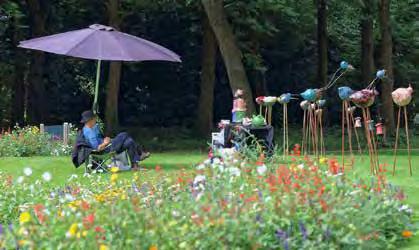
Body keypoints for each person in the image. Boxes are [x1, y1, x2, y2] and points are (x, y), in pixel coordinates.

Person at [72, 110, 150, 170]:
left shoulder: (94, 127)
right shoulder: (89, 132)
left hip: (108, 145)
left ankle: (134, 166)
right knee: (123, 134)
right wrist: (105, 143)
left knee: (129, 142)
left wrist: (105, 139)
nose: (96, 119)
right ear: (90, 120)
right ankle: (139, 155)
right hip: (104, 150)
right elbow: (97, 148)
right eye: (94, 118)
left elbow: (100, 138)